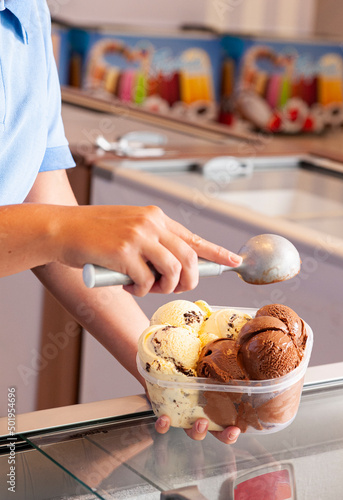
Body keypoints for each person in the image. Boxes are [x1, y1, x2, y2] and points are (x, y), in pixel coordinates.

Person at [0, 0, 241, 444]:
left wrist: (167, 375)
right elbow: (49, 227)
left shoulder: (29, 11)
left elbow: (39, 193)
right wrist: (62, 231)